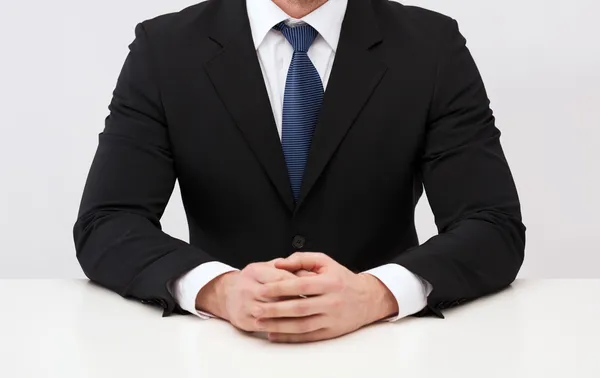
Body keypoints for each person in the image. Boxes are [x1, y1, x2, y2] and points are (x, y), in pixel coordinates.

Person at [74, 0, 525, 343]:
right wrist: (218, 289)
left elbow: (492, 226)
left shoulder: (431, 45)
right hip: (218, 346)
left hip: (387, 343)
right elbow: (108, 221)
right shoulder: (165, 48)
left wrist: (376, 294)